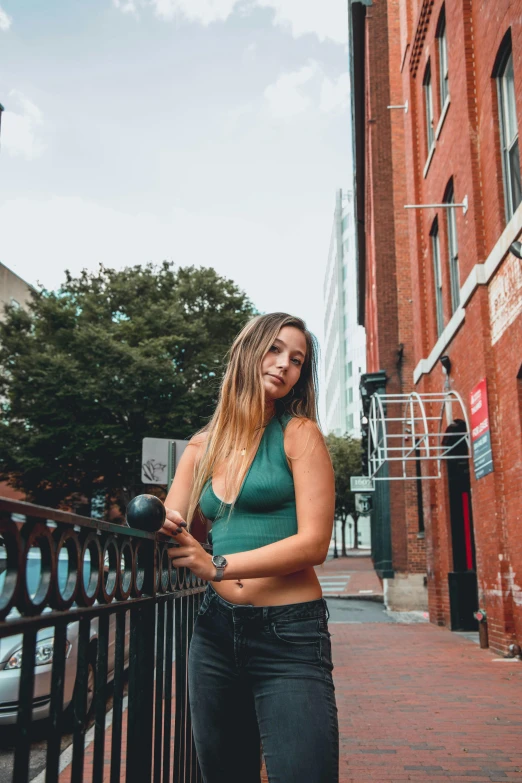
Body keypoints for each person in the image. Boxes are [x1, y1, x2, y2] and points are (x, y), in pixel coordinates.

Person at [161, 312, 339, 783]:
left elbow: (314, 543)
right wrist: (159, 521)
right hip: (215, 636)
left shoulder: (300, 434)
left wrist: (217, 564)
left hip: (290, 636)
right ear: (247, 351)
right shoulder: (201, 446)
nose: (284, 365)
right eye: (275, 350)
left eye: (297, 360)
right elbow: (171, 520)